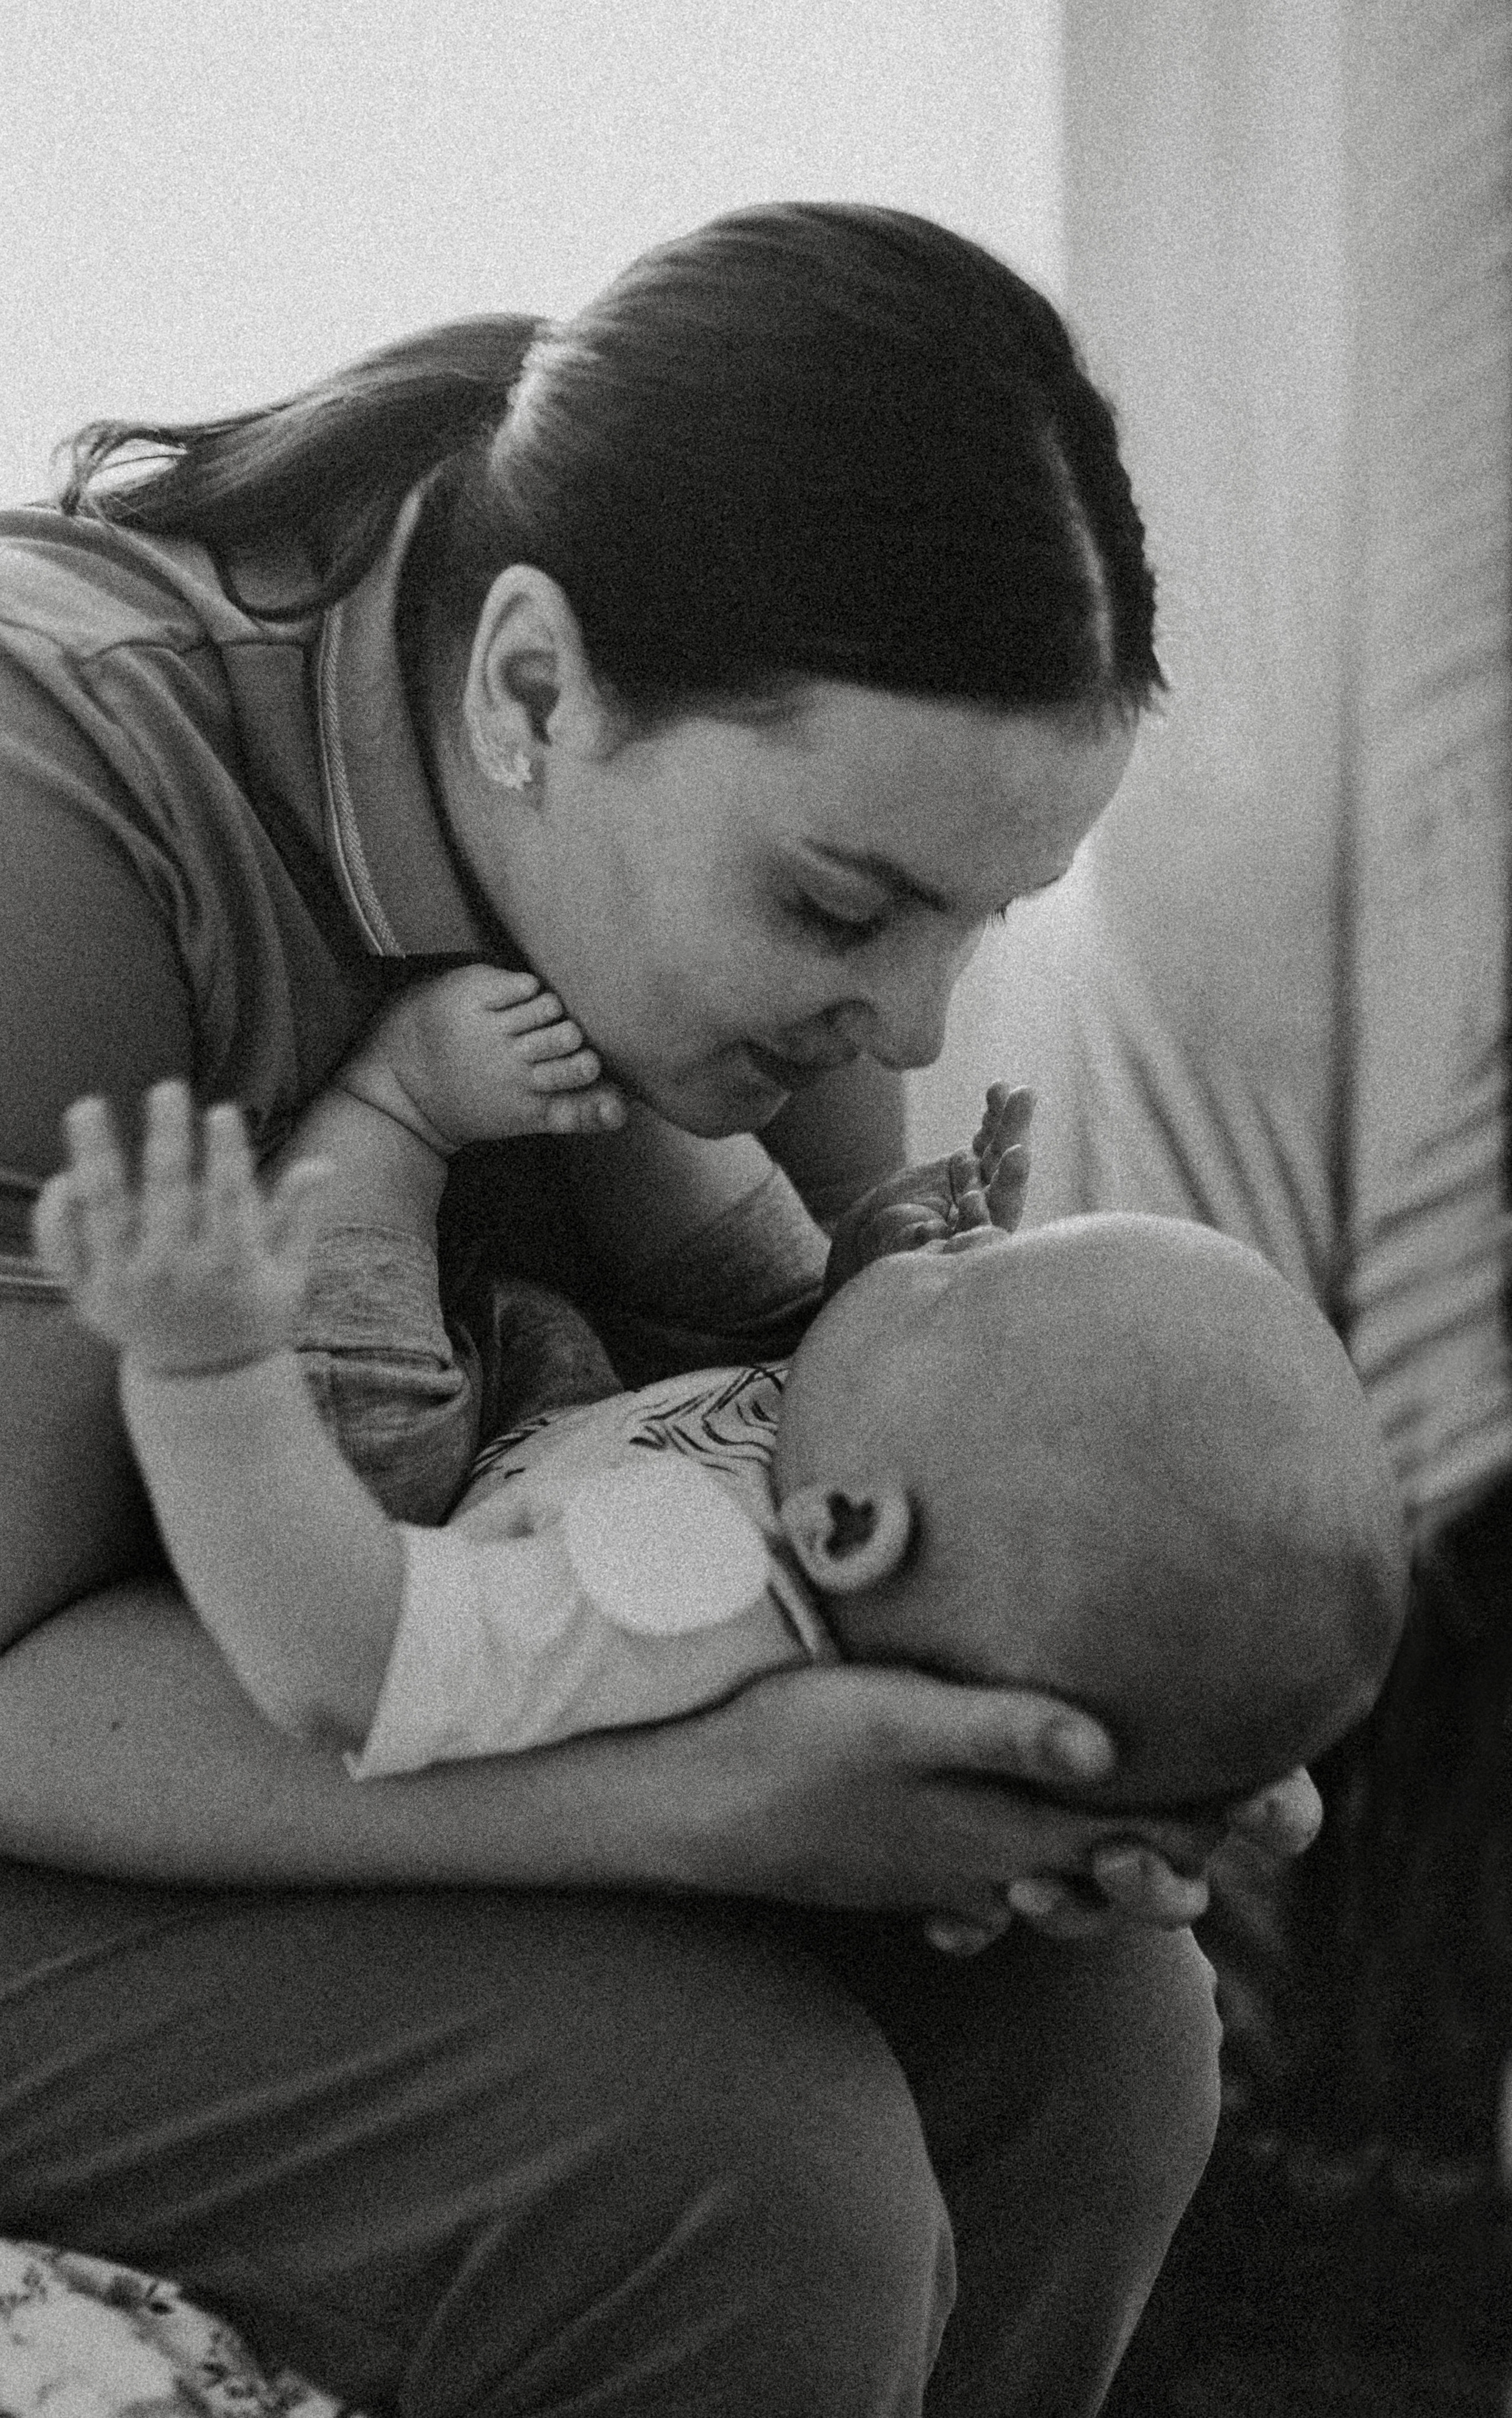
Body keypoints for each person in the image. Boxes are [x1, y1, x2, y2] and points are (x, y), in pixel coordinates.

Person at [0, 201, 1325, 2416]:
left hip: (318, 1677)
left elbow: (822, 1438)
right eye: (844, 906)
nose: (913, 1020)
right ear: (530, 688)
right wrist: (694, 1796)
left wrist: (1109, 1714)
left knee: (1103, 2036)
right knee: (739, 2168)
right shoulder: (57, 836)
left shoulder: (717, 716)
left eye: (986, 920)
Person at [35, 971, 1406, 1816]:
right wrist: (875, 1276)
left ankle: (397, 1103)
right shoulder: (880, 1504)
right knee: (785, 1307)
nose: (954, 1244)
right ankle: (609, 1060)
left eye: (955, 1289)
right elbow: (832, 1368)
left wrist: (204, 1367)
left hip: (377, 1501)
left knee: (373, 1428)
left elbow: (344, 1661)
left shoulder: (685, 1596)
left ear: (847, 1525)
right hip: (604, 1392)